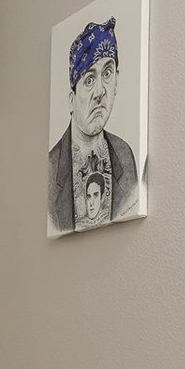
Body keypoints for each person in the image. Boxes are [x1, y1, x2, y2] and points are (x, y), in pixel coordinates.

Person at [49, 17, 139, 234]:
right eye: (89, 79)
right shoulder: (51, 168)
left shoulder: (124, 156)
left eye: (107, 74)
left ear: (116, 80)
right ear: (71, 99)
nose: (100, 92)